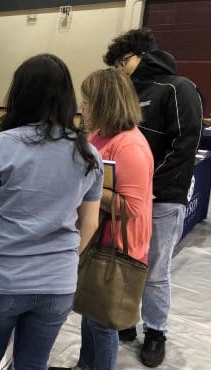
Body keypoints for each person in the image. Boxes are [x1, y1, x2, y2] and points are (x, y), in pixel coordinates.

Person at [0, 54, 103, 370]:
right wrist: (67, 256)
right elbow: (90, 222)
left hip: (4, 279)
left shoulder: (3, 145)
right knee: (33, 362)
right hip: (58, 283)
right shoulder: (87, 152)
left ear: (20, 94)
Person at [103, 28, 203, 367]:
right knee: (127, 263)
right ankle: (127, 321)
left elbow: (183, 147)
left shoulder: (178, 88)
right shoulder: (126, 94)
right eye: (115, 65)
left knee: (156, 270)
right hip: (127, 199)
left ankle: (156, 331)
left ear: (142, 55)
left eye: (123, 62)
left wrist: (147, 188)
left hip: (162, 199)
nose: (120, 70)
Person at [49, 68, 154, 370]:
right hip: (97, 239)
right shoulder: (99, 134)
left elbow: (132, 206)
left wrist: (90, 189)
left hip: (118, 246)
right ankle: (84, 365)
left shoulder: (130, 146)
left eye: (88, 101)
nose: (82, 107)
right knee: (89, 310)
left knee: (103, 323)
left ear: (105, 103)